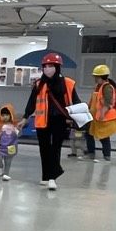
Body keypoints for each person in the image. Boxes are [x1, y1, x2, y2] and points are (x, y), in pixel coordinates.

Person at [23, 53, 78, 190]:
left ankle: (53, 177)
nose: (47, 69)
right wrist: (25, 117)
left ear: (57, 67)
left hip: (60, 120)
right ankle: (45, 176)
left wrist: (79, 116)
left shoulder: (68, 83)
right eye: (45, 66)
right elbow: (32, 102)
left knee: (55, 148)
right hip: (42, 121)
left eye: (51, 66)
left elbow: (76, 101)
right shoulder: (39, 84)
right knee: (44, 149)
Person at [87, 64, 116, 162]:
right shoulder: (98, 87)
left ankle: (106, 156)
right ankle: (91, 154)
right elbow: (94, 100)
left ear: (101, 77)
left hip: (104, 117)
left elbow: (108, 102)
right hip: (95, 116)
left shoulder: (107, 87)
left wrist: (102, 114)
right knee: (89, 134)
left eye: (96, 77)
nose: (95, 79)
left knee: (104, 137)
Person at [0, 104, 20, 181]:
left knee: (8, 161)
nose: (5, 117)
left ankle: (6, 174)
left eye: (7, 115)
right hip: (1, 146)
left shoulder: (14, 126)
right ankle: (1, 166)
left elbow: (18, 134)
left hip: (11, 146)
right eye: (3, 115)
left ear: (11, 115)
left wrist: (18, 129)